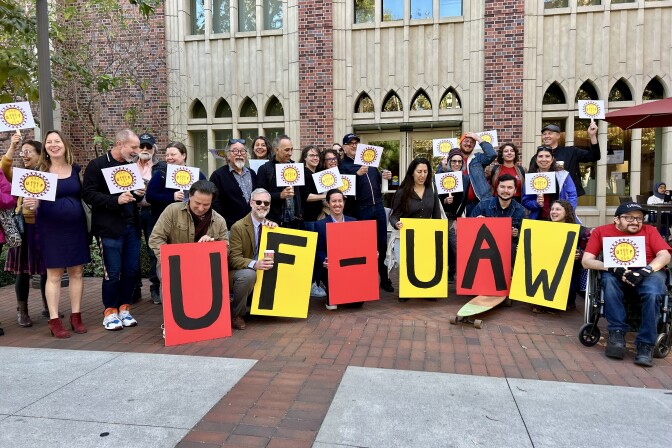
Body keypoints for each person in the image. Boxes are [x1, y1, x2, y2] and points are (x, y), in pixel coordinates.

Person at [582, 202, 671, 367]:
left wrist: (645, 271)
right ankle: (616, 333)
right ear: (616, 219)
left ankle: (646, 344)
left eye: (639, 218)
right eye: (629, 218)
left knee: (653, 292)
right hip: (616, 269)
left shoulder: (650, 231)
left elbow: (664, 256)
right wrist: (611, 267)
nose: (635, 222)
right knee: (608, 281)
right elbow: (586, 261)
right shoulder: (601, 232)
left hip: (648, 271)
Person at [26, 130, 90, 338]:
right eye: (49, 142)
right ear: (45, 147)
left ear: (65, 145)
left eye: (57, 141)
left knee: (77, 272)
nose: (54, 145)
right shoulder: (39, 171)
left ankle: (76, 316)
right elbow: (32, 201)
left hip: (75, 227)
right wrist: (31, 202)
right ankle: (54, 320)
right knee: (53, 274)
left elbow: (83, 195)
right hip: (50, 228)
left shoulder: (75, 170)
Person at [83, 129, 144, 331]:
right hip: (109, 228)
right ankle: (110, 311)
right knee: (113, 272)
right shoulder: (97, 165)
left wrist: (137, 193)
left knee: (131, 271)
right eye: (133, 147)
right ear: (120, 144)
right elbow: (89, 195)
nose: (137, 151)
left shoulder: (130, 166)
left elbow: (133, 196)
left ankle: (124, 308)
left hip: (132, 226)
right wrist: (114, 200)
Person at [148, 180, 229, 317]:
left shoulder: (219, 220)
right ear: (189, 196)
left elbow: (225, 249)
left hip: (203, 265)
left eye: (206, 204)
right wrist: (170, 259)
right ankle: (170, 320)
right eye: (197, 203)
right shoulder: (172, 211)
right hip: (174, 264)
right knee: (169, 278)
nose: (201, 208)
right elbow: (155, 238)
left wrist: (212, 246)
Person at [2, 133, 48, 325]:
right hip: (23, 229)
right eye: (23, 153)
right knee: (22, 271)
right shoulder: (19, 175)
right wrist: (13, 146)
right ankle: (22, 310)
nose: (24, 156)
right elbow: (4, 168)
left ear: (40, 154)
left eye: (28, 152)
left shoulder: (48, 175)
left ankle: (49, 306)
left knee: (48, 270)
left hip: (44, 228)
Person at [339, 133, 394, 292]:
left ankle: (384, 278)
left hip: (377, 205)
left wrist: (386, 177)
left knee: (382, 243)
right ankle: (366, 279)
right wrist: (356, 175)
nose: (354, 146)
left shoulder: (370, 162)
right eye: (350, 143)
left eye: (356, 143)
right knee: (364, 246)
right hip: (360, 208)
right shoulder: (343, 166)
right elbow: (344, 189)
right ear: (344, 147)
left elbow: (378, 183)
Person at [388, 157, 442, 301]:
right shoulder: (402, 192)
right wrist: (396, 223)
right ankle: (406, 290)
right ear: (412, 172)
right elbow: (393, 216)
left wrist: (438, 233)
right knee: (404, 263)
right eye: (419, 171)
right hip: (406, 234)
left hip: (425, 234)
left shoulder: (432, 189)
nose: (422, 175)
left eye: (425, 171)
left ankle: (427, 291)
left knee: (424, 262)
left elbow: (436, 214)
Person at [227, 188, 279, 330]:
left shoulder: (272, 226)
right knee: (249, 275)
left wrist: (278, 232)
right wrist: (255, 264)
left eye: (266, 203)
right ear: (251, 203)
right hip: (242, 271)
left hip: (264, 269)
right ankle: (237, 314)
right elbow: (233, 259)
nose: (262, 205)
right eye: (259, 202)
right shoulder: (238, 227)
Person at [543, 200, 591, 313]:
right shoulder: (543, 228)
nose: (553, 212)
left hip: (570, 270)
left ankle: (568, 300)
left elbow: (589, 253)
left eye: (558, 209)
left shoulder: (581, 231)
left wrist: (579, 254)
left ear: (567, 212)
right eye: (552, 209)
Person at [314, 189, 358, 310]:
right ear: (328, 203)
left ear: (344, 202)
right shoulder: (320, 225)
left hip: (349, 265)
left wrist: (370, 253)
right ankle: (333, 292)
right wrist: (324, 260)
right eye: (333, 201)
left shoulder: (353, 222)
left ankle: (345, 292)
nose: (337, 204)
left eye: (340, 201)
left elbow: (358, 247)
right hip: (331, 268)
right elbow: (318, 250)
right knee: (333, 305)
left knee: (357, 304)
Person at [533, 123, 600, 197]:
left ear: (558, 136)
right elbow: (532, 176)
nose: (546, 136)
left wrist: (592, 136)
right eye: (544, 134)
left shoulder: (571, 152)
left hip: (567, 197)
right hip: (545, 198)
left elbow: (594, 156)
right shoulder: (537, 157)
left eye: (550, 133)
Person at [256, 135, 305, 228]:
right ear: (276, 150)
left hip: (294, 222)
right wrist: (280, 195)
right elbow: (258, 196)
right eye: (287, 150)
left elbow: (301, 194)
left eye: (291, 149)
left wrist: (300, 212)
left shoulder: (295, 167)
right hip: (273, 222)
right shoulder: (265, 169)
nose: (290, 153)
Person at [133, 133, 160, 304]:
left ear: (154, 149)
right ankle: (134, 288)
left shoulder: (160, 167)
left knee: (153, 251)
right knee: (132, 250)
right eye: (141, 146)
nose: (144, 150)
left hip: (152, 212)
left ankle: (155, 287)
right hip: (133, 211)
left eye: (148, 147)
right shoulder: (128, 166)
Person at [470, 174, 526, 254]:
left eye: (510, 187)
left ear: (515, 190)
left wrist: (516, 235)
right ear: (497, 188)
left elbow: (524, 238)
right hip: (484, 245)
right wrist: (476, 222)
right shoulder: (483, 205)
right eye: (502, 187)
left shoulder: (520, 210)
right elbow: (468, 229)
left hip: (507, 249)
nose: (505, 191)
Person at [207, 139, 256, 229]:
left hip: (252, 226)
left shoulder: (252, 173)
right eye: (235, 151)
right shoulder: (218, 175)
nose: (239, 153)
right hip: (229, 228)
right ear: (228, 155)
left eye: (242, 151)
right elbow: (214, 202)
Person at [522, 146, 577, 220]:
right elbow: (525, 200)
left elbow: (572, 196)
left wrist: (566, 211)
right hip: (538, 218)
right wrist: (536, 203)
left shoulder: (563, 175)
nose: (544, 159)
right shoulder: (531, 177)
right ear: (536, 159)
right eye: (540, 156)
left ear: (552, 159)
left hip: (560, 219)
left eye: (547, 156)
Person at [439, 148, 468, 283]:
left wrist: (457, 220)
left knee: (456, 245)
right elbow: (436, 198)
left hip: (456, 217)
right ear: (449, 162)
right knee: (443, 246)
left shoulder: (465, 179)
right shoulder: (441, 176)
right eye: (454, 161)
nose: (457, 164)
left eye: (459, 161)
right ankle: (447, 272)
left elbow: (464, 201)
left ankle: (460, 273)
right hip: (442, 216)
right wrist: (444, 201)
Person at [458, 132, 497, 216]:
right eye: (466, 141)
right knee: (463, 229)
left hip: (480, 202)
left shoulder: (478, 158)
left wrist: (478, 138)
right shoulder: (452, 160)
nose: (468, 144)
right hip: (460, 205)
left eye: (472, 142)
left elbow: (492, 154)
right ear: (460, 143)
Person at [300, 145, 326, 225]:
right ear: (305, 158)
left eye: (317, 155)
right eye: (311, 155)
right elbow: (306, 196)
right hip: (309, 219)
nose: (315, 158)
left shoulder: (316, 174)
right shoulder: (304, 173)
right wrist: (326, 196)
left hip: (317, 217)